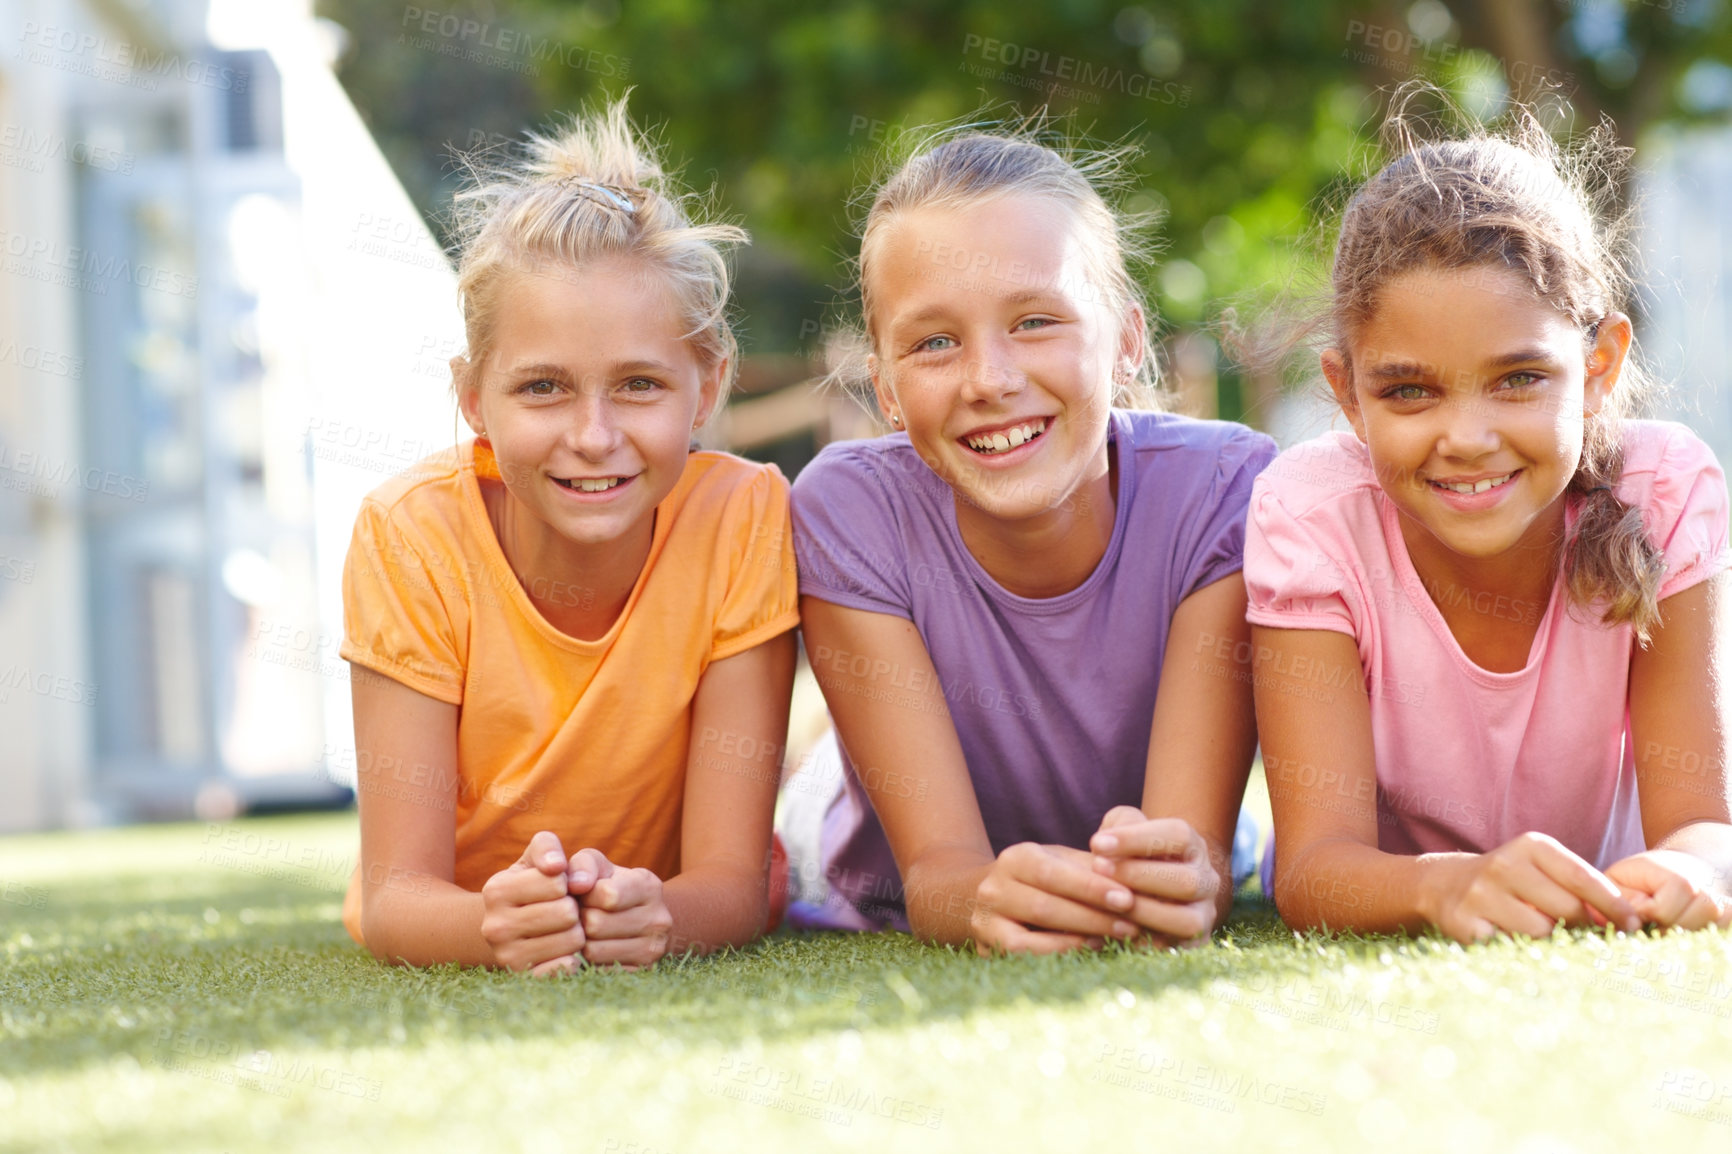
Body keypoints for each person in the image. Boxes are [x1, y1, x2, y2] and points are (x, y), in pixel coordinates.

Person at [1246, 98, 1732, 943]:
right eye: (1408, 390)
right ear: (1347, 395)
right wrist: (1449, 889)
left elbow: (1706, 828)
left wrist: (1688, 872)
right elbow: (1315, 870)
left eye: (1518, 381)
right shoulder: (1312, 515)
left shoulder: (1665, 488)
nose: (1467, 440)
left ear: (1598, 366)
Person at [790, 127, 1277, 954]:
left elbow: (1190, 852)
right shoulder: (848, 511)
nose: (991, 380)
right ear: (887, 389)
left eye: (1037, 320)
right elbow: (938, 875)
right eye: (935, 342)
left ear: (1125, 341)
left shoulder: (1224, 490)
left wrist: (1181, 875)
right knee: (824, 790)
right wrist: (980, 892)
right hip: (862, 870)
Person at [338, 100, 798, 973]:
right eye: (543, 387)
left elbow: (732, 886)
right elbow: (398, 895)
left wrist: (659, 914)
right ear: (473, 398)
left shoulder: (743, 518)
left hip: (659, 904)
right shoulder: (410, 534)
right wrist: (491, 928)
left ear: (707, 389)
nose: (592, 435)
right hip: (472, 907)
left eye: (637, 385)